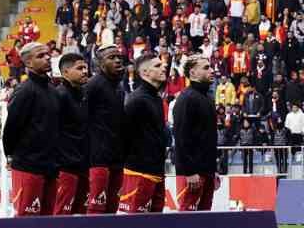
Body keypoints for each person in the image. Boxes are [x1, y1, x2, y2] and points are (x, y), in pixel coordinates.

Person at [3, 42, 60, 216]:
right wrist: (10, 155)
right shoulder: (24, 91)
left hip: (51, 166)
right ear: (28, 63)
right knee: (26, 221)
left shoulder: (53, 90)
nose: (47, 58)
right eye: (41, 56)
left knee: (48, 221)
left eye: (48, 54)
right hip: (28, 166)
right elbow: (11, 128)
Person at [121, 53, 170, 213]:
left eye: (162, 64)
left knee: (154, 227)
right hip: (138, 173)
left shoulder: (156, 98)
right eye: (157, 65)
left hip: (156, 171)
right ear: (144, 73)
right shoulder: (136, 100)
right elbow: (124, 136)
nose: (164, 67)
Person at [84, 45, 128, 213]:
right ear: (100, 64)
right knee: (96, 209)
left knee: (112, 210)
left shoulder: (119, 88)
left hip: (116, 158)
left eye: (119, 57)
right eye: (111, 58)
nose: (117, 60)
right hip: (97, 159)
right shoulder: (93, 85)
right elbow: (82, 119)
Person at [173, 56, 219, 211]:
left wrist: (213, 170)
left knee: (204, 221)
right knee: (187, 220)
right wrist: (190, 172)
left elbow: (208, 138)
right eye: (206, 68)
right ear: (192, 73)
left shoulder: (208, 98)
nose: (212, 70)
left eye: (211, 67)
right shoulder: (187, 98)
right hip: (192, 174)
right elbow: (181, 138)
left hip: (207, 171)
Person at [53, 52, 91, 215]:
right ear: (65, 72)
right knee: (61, 216)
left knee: (81, 216)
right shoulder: (59, 95)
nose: (84, 71)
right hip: (65, 168)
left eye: (85, 68)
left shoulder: (83, 94)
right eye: (79, 68)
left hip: (83, 166)